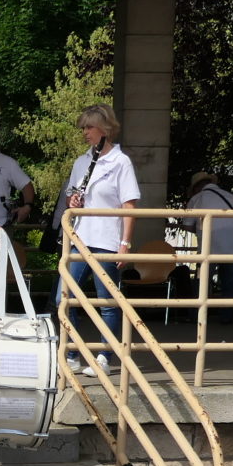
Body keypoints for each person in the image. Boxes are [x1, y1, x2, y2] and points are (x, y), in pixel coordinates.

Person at [54, 104, 140, 370]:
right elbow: (70, 196)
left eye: (89, 127)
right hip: (80, 238)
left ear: (105, 128)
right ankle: (72, 353)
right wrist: (73, 200)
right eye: (83, 127)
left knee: (107, 302)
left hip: (106, 241)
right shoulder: (82, 161)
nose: (85, 132)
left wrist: (125, 244)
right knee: (63, 298)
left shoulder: (120, 161)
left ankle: (104, 357)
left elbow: (129, 205)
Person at [184, 172, 233, 324]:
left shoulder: (197, 198)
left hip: (209, 245)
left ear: (196, 187)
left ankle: (197, 316)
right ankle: (226, 317)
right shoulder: (229, 196)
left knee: (202, 282)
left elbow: (187, 225)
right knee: (229, 282)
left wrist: (200, 229)